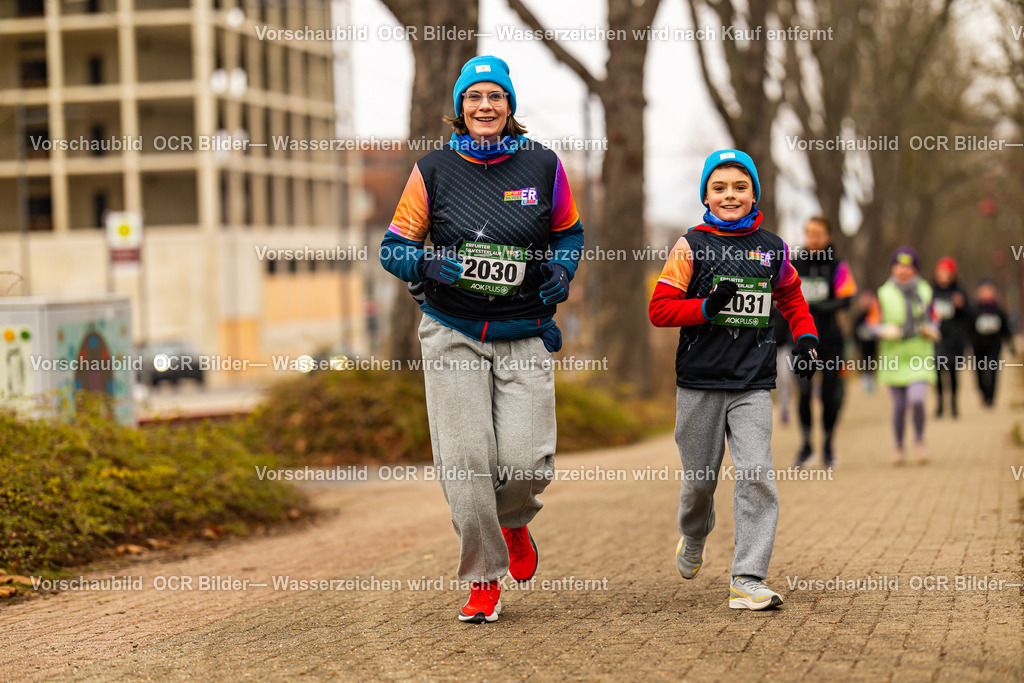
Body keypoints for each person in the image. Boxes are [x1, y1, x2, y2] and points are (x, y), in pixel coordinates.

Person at [379, 56, 584, 623]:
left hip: (524, 331)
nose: (485, 106)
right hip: (453, 331)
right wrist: (430, 264)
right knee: (466, 462)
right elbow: (392, 249)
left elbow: (570, 233)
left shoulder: (543, 165)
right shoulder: (433, 170)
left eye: (495, 96)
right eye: (474, 97)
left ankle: (514, 522)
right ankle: (482, 578)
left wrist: (562, 273)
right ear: (460, 108)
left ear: (510, 105)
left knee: (526, 464)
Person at [649, 149, 818, 610]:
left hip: (752, 383)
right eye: (719, 187)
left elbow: (792, 297)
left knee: (758, 475)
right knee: (700, 482)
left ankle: (748, 578)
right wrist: (707, 307)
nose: (730, 195)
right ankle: (694, 533)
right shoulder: (690, 247)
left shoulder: (772, 248)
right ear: (705, 194)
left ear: (754, 194)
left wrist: (805, 336)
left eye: (740, 187)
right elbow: (660, 310)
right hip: (700, 382)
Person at [791, 216, 857, 468]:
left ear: (828, 236)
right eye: (808, 233)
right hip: (802, 340)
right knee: (804, 392)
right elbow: (782, 295)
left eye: (817, 233)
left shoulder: (838, 266)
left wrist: (817, 306)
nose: (812, 238)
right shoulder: (796, 264)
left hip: (830, 339)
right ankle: (807, 446)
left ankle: (828, 446)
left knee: (830, 396)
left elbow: (847, 299)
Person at [867, 247, 939, 465]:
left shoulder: (926, 291)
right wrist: (882, 330)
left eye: (908, 267)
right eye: (899, 266)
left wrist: (932, 328)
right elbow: (871, 323)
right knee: (898, 406)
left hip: (919, 354)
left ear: (915, 269)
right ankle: (898, 445)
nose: (903, 271)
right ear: (893, 268)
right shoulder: (883, 294)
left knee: (917, 400)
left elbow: (934, 317)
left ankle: (919, 440)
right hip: (893, 357)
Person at [931, 257, 971, 418]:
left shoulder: (959, 291)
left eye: (946, 273)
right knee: (938, 372)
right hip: (936, 337)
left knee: (953, 372)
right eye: (940, 272)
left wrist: (961, 306)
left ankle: (954, 404)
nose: (943, 276)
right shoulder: (931, 292)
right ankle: (940, 403)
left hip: (955, 339)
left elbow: (969, 315)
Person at [970, 278, 1014, 408]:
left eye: (989, 290)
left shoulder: (999, 310)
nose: (986, 293)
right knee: (979, 370)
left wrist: (1010, 344)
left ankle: (991, 396)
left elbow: (1006, 329)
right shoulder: (974, 310)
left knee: (993, 368)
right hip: (978, 345)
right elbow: (969, 328)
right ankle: (983, 391)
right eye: (984, 291)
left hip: (994, 345)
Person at [853, 290, 879, 394]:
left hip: (872, 344)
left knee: (872, 361)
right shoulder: (859, 316)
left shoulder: (874, 315)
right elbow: (854, 330)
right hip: (862, 344)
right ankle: (864, 381)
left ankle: (871, 381)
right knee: (863, 362)